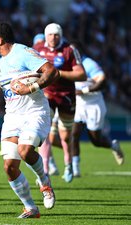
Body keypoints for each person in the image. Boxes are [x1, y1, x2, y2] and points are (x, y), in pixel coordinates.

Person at [0, 21, 59, 219]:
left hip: (35, 112)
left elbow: (52, 72)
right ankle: (30, 208)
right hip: (12, 116)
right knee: (9, 166)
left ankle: (45, 183)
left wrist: (30, 88)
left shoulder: (22, 52)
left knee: (25, 150)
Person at [49, 41, 125, 177]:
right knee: (74, 134)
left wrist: (84, 90)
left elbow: (102, 81)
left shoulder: (88, 63)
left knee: (95, 140)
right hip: (77, 103)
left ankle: (113, 145)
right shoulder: (66, 63)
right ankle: (75, 168)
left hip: (93, 104)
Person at [34, 23, 86, 183]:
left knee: (65, 136)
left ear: (60, 35)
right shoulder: (38, 49)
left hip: (66, 97)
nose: (53, 37)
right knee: (44, 134)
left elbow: (81, 75)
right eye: (50, 34)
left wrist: (59, 73)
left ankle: (68, 164)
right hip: (47, 95)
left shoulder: (69, 50)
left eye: (56, 34)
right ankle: (45, 171)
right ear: (45, 35)